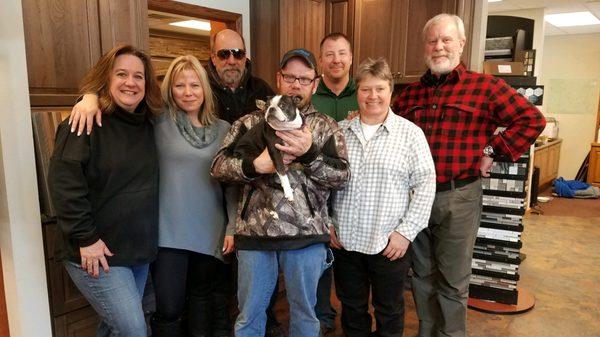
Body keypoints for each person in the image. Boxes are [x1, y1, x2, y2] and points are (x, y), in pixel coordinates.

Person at [392, 14, 546, 337]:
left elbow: (532, 120)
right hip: (415, 198)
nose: (439, 47)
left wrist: (494, 150)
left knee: (452, 281)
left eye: (446, 40)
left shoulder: (485, 87)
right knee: (421, 276)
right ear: (425, 47)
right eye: (432, 41)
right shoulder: (408, 96)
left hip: (459, 196)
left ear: (461, 44)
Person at [65, 55, 237, 337]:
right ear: (169, 89)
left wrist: (232, 228)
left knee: (203, 303)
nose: (188, 91)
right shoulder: (154, 122)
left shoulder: (224, 130)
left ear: (205, 89)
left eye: (195, 85)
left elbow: (232, 184)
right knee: (168, 309)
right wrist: (89, 97)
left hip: (212, 232)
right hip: (167, 234)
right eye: (180, 85)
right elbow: (122, 98)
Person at [211, 48, 350, 337]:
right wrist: (254, 165)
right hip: (254, 236)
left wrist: (310, 154)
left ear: (315, 83)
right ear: (279, 79)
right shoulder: (249, 123)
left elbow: (342, 177)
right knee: (249, 315)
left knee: (305, 315)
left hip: (307, 236)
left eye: (304, 78)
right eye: (289, 77)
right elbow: (218, 166)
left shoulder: (325, 127)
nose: (296, 84)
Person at [48, 44, 162, 337]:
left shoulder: (148, 124)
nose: (130, 82)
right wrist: (86, 238)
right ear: (106, 79)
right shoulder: (85, 121)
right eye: (121, 74)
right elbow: (64, 185)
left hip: (136, 250)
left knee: (115, 328)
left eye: (138, 76)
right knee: (133, 329)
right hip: (95, 251)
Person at [330, 57, 436, 337]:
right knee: (351, 308)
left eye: (379, 88)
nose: (373, 96)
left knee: (389, 310)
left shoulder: (410, 134)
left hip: (388, 244)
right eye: (366, 89)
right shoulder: (339, 132)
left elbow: (426, 184)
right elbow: (321, 182)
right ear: (358, 92)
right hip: (346, 241)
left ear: (391, 91)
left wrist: (406, 233)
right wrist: (327, 223)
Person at [311, 32, 359, 336]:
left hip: (355, 190)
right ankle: (322, 315)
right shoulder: (312, 96)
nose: (336, 60)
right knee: (319, 257)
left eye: (342, 53)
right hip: (316, 189)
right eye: (329, 54)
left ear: (351, 58)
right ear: (321, 61)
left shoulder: (365, 92)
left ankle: (353, 315)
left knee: (349, 257)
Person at [208, 28, 275, 124]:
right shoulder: (200, 90)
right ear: (214, 58)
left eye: (238, 54)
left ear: (244, 57)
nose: (232, 61)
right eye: (224, 54)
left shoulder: (262, 89)